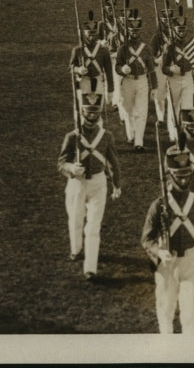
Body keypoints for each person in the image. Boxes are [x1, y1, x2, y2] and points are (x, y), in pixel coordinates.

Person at [141, 144, 194, 333]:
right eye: (178, 175)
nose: (183, 180)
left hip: (193, 262)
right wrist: (159, 251)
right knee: (165, 311)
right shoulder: (158, 205)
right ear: (170, 175)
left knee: (192, 316)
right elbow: (146, 239)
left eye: (186, 174)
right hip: (167, 264)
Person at [57, 92, 122, 281]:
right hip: (76, 183)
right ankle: (76, 249)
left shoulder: (106, 136)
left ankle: (90, 268)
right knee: (76, 219)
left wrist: (117, 184)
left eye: (95, 112)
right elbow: (60, 163)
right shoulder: (71, 137)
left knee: (93, 227)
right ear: (82, 111)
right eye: (89, 111)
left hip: (98, 183)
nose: (92, 115)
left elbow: (114, 162)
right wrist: (71, 167)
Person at [115, 12, 158, 151]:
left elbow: (151, 69)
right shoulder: (123, 48)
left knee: (141, 112)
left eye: (137, 31)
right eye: (132, 31)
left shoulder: (146, 48)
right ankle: (131, 133)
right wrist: (123, 69)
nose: (135, 33)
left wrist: (155, 87)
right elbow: (117, 66)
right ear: (128, 31)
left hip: (142, 82)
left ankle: (139, 141)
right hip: (127, 81)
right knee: (128, 110)